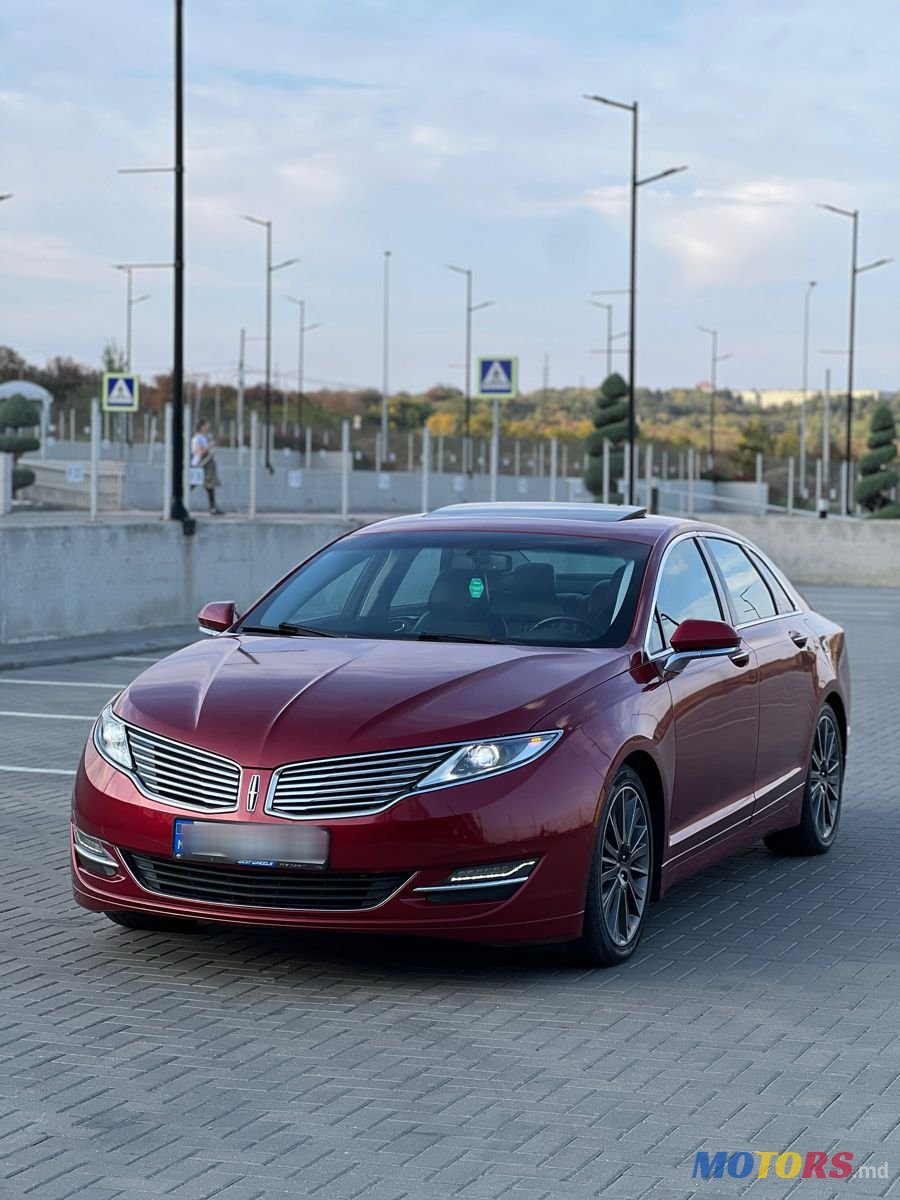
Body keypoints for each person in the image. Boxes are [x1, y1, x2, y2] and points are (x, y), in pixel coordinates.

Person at [190, 419, 224, 514]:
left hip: (206, 465)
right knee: (192, 484)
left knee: (210, 486)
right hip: (200, 465)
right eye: (206, 425)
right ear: (201, 427)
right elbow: (199, 452)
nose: (208, 427)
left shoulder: (204, 437)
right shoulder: (198, 438)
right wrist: (209, 446)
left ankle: (213, 508)